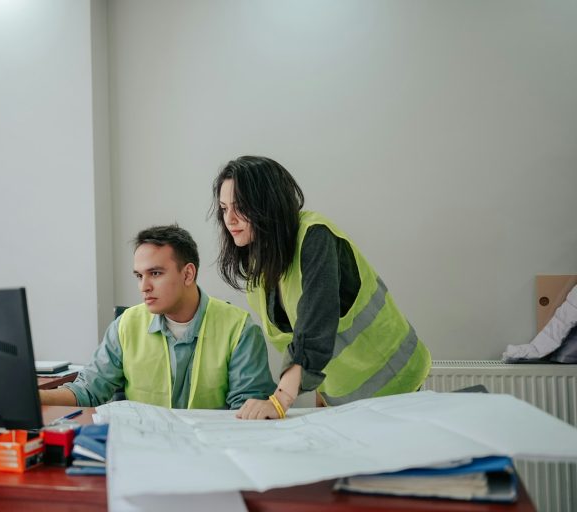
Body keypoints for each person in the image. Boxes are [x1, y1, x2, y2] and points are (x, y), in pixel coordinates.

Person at [212, 156, 431, 420]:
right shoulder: (259, 268)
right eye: (224, 208)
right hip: (345, 402)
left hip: (397, 384)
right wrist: (322, 395)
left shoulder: (315, 237)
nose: (230, 219)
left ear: (268, 204)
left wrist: (279, 401)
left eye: (240, 207)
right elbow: (302, 339)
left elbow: (315, 326)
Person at [40, 224, 275, 409]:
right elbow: (88, 391)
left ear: (188, 274)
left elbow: (247, 409)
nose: (144, 287)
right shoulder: (125, 326)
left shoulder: (239, 329)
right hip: (142, 449)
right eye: (139, 276)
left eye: (155, 273)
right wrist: (35, 397)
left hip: (212, 450)